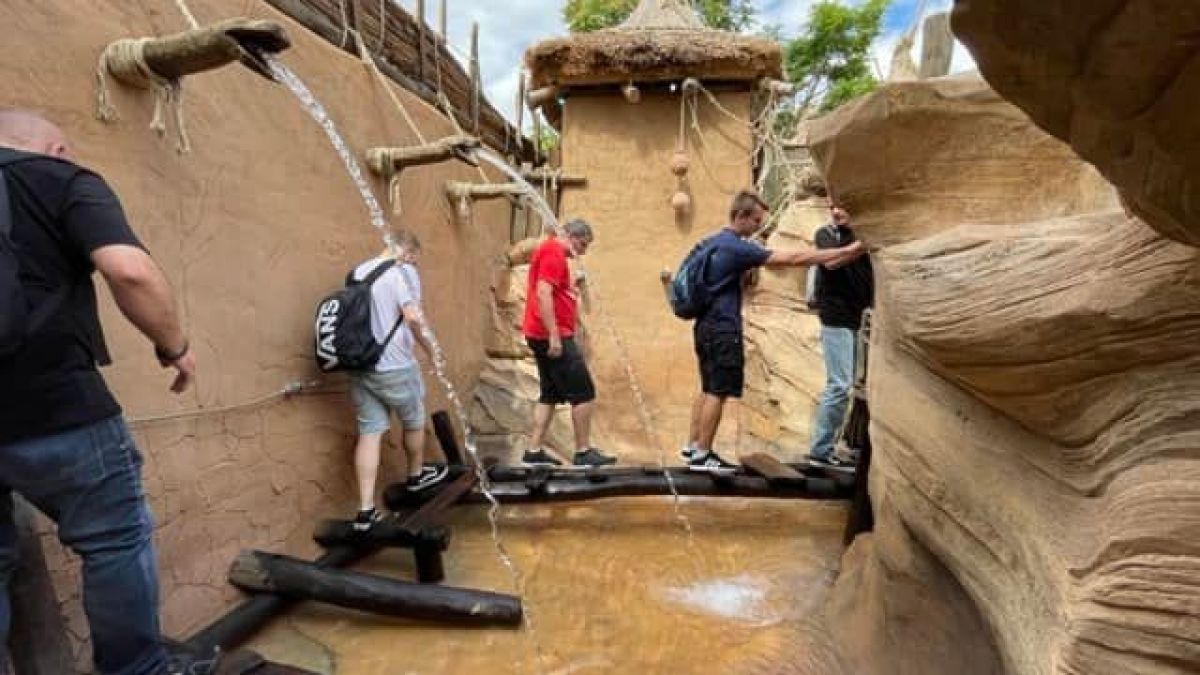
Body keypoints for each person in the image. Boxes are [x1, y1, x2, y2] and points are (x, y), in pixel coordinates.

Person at [0, 109, 206, 674]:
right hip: (58, 408)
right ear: (57, 149)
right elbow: (129, 271)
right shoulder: (62, 179)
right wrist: (174, 346)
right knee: (114, 541)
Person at [682, 190, 862, 474]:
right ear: (742, 216)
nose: (758, 227)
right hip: (723, 327)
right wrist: (849, 251)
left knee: (708, 387)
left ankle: (693, 446)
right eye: (756, 221)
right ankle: (702, 454)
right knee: (719, 391)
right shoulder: (737, 247)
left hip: (704, 325)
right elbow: (793, 258)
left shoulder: (713, 242)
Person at [348, 230, 447, 531]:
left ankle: (365, 511)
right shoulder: (401, 273)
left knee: (370, 433)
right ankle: (416, 476)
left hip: (361, 365)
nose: (414, 264)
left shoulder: (358, 272)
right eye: (414, 259)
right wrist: (431, 349)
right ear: (408, 253)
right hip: (395, 365)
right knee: (413, 420)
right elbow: (412, 317)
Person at [520, 219, 616, 468]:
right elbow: (543, 292)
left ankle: (533, 450)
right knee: (584, 393)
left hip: (539, 333)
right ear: (571, 236)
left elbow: (551, 291)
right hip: (552, 335)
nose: (583, 251)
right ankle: (583, 452)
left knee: (550, 394)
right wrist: (554, 334)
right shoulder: (554, 252)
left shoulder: (550, 251)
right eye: (582, 244)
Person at [807, 203, 873, 469]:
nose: (835, 211)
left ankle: (834, 446)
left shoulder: (862, 232)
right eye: (832, 206)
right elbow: (831, 262)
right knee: (839, 384)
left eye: (842, 206)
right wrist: (863, 244)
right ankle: (820, 451)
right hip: (835, 317)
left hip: (860, 317)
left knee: (853, 387)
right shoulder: (826, 234)